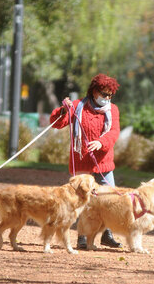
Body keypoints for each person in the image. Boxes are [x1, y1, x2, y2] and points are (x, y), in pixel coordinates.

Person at [49, 73, 122, 249]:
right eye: (104, 94)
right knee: (82, 203)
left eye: (110, 95)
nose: (107, 98)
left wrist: (101, 142)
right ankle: (82, 237)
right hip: (81, 165)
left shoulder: (113, 110)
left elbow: (114, 132)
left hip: (104, 164)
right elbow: (56, 123)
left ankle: (107, 234)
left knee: (109, 201)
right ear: (94, 91)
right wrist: (63, 110)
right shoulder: (76, 107)